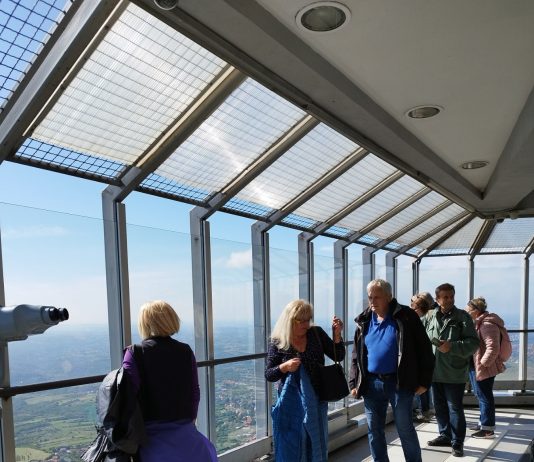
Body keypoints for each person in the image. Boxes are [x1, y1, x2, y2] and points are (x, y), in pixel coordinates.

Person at [349, 279, 434, 462]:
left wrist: (424, 381)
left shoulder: (406, 317)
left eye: (377, 297)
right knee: (374, 430)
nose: (372, 301)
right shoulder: (364, 320)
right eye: (370, 297)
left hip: (399, 382)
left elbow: (425, 350)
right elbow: (356, 354)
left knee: (404, 428)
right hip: (371, 383)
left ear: (389, 297)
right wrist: (354, 382)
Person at [122, 300, 217, 462]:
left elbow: (128, 397)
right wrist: (188, 423)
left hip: (150, 437)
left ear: (145, 324)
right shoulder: (185, 351)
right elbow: (195, 392)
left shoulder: (135, 353)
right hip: (185, 431)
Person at [265, 299, 345, 462]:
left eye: (308, 320)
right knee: (294, 442)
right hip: (291, 402)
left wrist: (337, 336)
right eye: (301, 321)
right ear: (290, 320)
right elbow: (269, 374)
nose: (306, 324)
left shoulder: (316, 333)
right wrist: (285, 367)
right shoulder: (278, 341)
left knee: (316, 439)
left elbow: (338, 355)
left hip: (317, 398)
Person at [426, 283, 479, 457]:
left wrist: (452, 347)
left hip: (454, 373)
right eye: (445, 297)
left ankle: (457, 443)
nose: (449, 300)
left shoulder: (463, 317)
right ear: (437, 299)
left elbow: (474, 343)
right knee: (439, 407)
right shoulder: (430, 317)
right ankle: (445, 435)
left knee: (455, 408)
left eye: (451, 296)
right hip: (435, 372)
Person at [465, 296, 505, 439]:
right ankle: (483, 423)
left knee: (484, 396)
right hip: (476, 365)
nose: (466, 312)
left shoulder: (487, 324)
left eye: (468, 310)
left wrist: (483, 364)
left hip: (483, 367)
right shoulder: (479, 323)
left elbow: (493, 347)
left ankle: (488, 429)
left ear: (476, 311)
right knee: (481, 395)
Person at [410, 292, 435, 422]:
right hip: (428, 357)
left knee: (421, 385)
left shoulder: (423, 319)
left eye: (413, 305)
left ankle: (422, 410)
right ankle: (426, 409)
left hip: (421, 358)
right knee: (425, 385)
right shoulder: (433, 316)